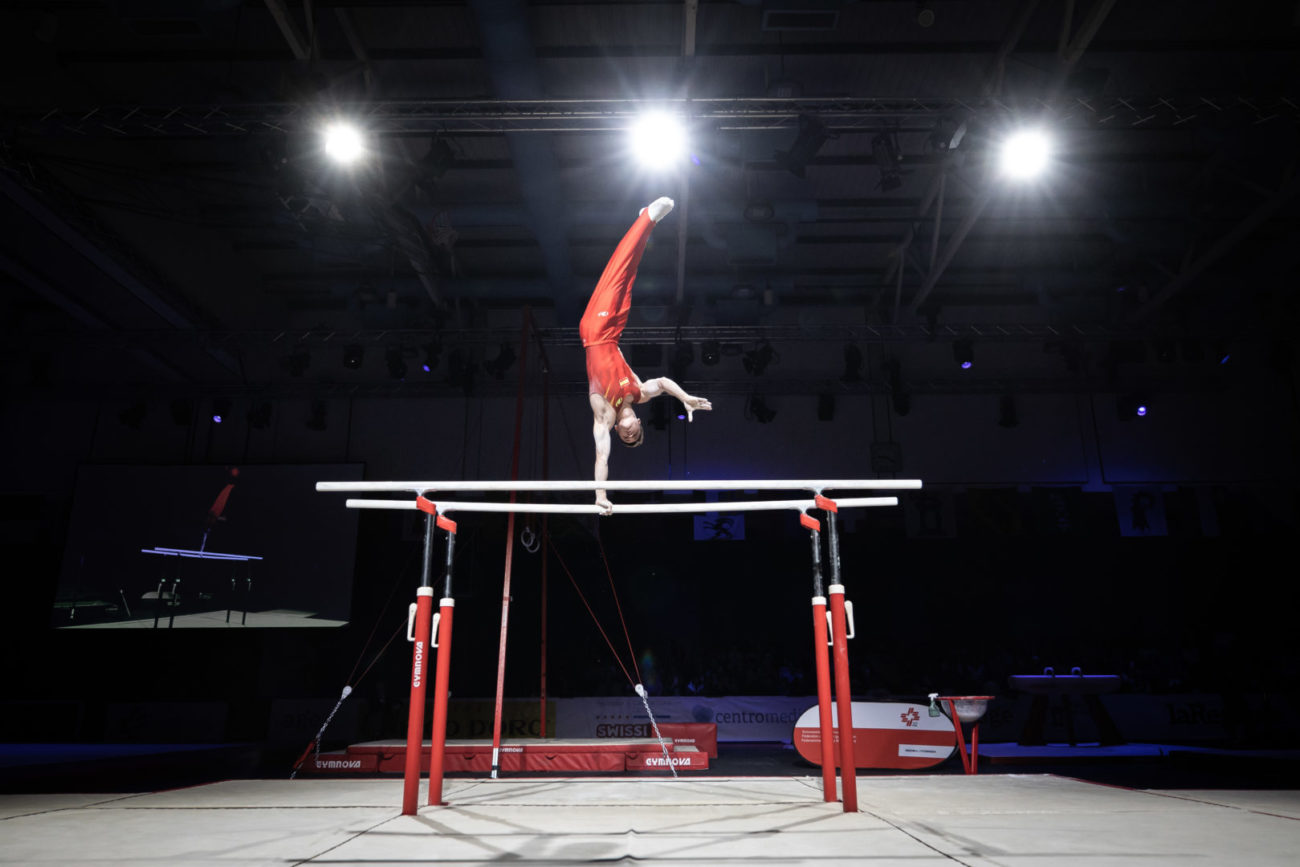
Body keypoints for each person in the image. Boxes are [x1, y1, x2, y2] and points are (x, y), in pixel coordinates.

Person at [582, 197, 712, 514]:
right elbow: (665, 382)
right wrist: (686, 398)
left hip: (595, 331)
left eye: (624, 437)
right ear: (639, 424)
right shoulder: (638, 393)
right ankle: (644, 220)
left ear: (617, 430)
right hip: (613, 331)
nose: (628, 433)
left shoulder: (605, 416)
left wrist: (600, 496)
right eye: (634, 435)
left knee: (619, 268)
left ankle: (647, 219)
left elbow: (601, 456)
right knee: (631, 273)